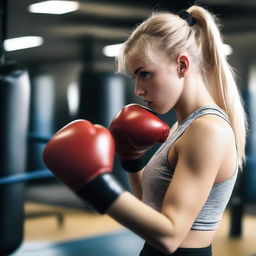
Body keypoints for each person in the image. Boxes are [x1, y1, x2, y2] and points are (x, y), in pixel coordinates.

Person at [43, 5, 248, 256]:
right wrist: (132, 160)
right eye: (135, 78)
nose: (138, 90)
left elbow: (171, 236)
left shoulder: (207, 130)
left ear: (181, 66)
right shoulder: (183, 126)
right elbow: (152, 212)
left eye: (145, 74)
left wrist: (95, 185)